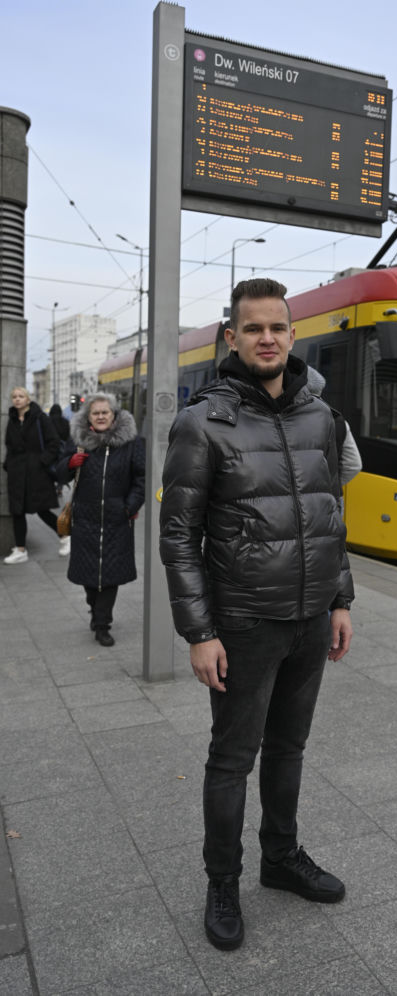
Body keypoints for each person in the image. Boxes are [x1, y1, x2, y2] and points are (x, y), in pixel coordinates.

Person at [160, 277, 354, 952]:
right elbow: (178, 536)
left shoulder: (320, 418)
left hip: (308, 617)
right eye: (254, 329)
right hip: (242, 621)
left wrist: (340, 599)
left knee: (291, 747)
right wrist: (199, 632)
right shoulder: (202, 421)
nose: (267, 338)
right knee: (230, 759)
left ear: (292, 335)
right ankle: (223, 881)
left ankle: (281, 857)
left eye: (278, 327)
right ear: (232, 337)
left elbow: (333, 514)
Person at [57, 392, 145, 647]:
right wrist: (70, 463)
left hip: (118, 519)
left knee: (110, 574)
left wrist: (129, 506)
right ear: (89, 417)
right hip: (85, 518)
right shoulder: (77, 441)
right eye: (96, 413)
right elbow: (59, 472)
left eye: (105, 412)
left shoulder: (131, 443)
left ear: (114, 415)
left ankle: (102, 624)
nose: (101, 416)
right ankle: (94, 608)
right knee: (88, 574)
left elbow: (141, 478)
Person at [3, 386, 69, 563]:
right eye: (14, 396)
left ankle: (65, 537)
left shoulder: (40, 418)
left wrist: (43, 461)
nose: (17, 399)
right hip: (17, 473)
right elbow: (9, 444)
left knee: (42, 509)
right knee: (17, 511)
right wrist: (8, 464)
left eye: (21, 396)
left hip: (37, 473)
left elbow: (54, 442)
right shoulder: (12, 420)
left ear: (28, 399)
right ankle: (20, 550)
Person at [306, 366, 362, 487]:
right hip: (331, 500)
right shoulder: (338, 420)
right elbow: (353, 465)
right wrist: (332, 488)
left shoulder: (288, 421)